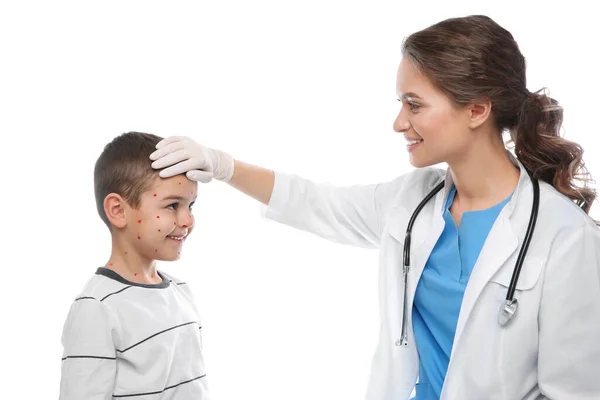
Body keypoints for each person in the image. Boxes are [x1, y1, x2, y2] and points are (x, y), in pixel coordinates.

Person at [150, 15, 600, 400]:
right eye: (400, 103)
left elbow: (574, 391)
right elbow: (314, 202)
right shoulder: (411, 202)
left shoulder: (563, 237)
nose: (399, 122)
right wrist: (224, 166)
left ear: (477, 109)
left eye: (415, 105)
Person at [59, 132, 209, 399]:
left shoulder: (181, 291)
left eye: (191, 205)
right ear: (118, 210)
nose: (188, 220)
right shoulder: (98, 307)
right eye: (173, 205)